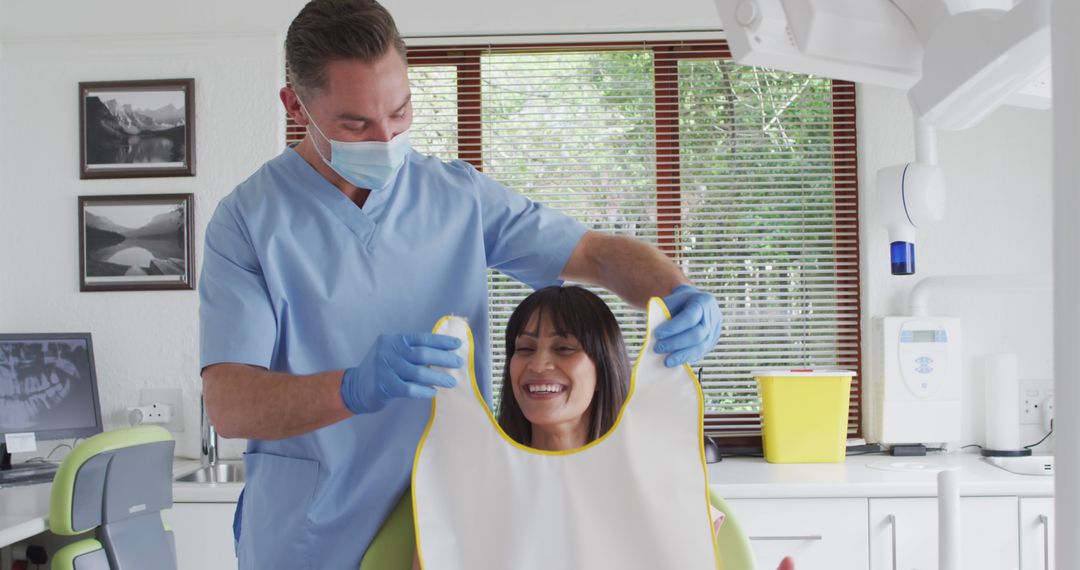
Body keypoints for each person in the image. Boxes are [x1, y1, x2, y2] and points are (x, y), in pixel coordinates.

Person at [198, 1, 723, 568]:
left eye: (400, 112)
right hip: (312, 538)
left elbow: (592, 253)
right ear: (295, 104)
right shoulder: (249, 222)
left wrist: (676, 290)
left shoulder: (456, 197)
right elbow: (230, 404)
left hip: (455, 524)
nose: (386, 138)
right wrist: (350, 387)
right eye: (356, 124)